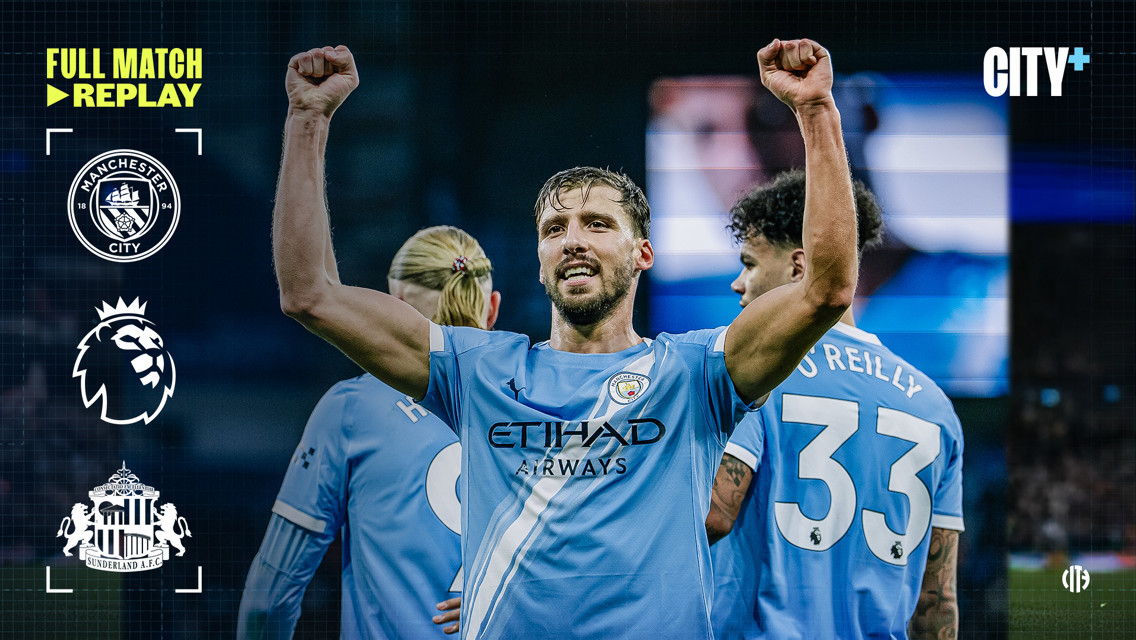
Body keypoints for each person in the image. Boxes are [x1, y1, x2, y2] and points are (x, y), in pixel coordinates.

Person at [273, 38, 858, 639]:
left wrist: (816, 111)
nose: (573, 239)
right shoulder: (474, 371)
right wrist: (307, 118)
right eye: (555, 229)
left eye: (597, 224)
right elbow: (310, 294)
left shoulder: (697, 374)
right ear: (540, 260)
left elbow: (827, 290)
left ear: (643, 254)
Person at [705, 170, 964, 639]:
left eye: (749, 264)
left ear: (798, 268)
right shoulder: (936, 407)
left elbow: (713, 515)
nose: (738, 284)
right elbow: (937, 603)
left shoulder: (758, 375)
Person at [237, 226, 500, 639]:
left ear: (394, 311)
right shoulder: (541, 404)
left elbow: (269, 598)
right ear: (492, 308)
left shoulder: (352, 409)